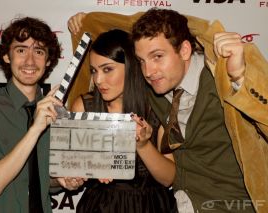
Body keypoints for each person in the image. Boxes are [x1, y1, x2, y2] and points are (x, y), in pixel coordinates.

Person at [67, 8, 268, 213]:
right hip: (179, 205)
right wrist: (90, 22)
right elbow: (122, 39)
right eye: (142, 61)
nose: (148, 71)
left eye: (157, 57)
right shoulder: (154, 93)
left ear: (185, 50)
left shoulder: (221, 79)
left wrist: (240, 78)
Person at [0, 17, 63, 212]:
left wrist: (62, 181)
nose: (30, 61)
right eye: (21, 50)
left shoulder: (55, 111)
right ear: (7, 56)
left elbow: (35, 178)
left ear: (48, 61)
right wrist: (36, 129)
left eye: (39, 52)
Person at [68, 28, 177, 212]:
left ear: (131, 66)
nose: (98, 80)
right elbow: (72, 167)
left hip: (151, 206)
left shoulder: (157, 107)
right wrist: (83, 171)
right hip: (100, 206)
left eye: (107, 69)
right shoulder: (84, 107)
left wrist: (142, 145)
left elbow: (169, 178)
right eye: (94, 71)